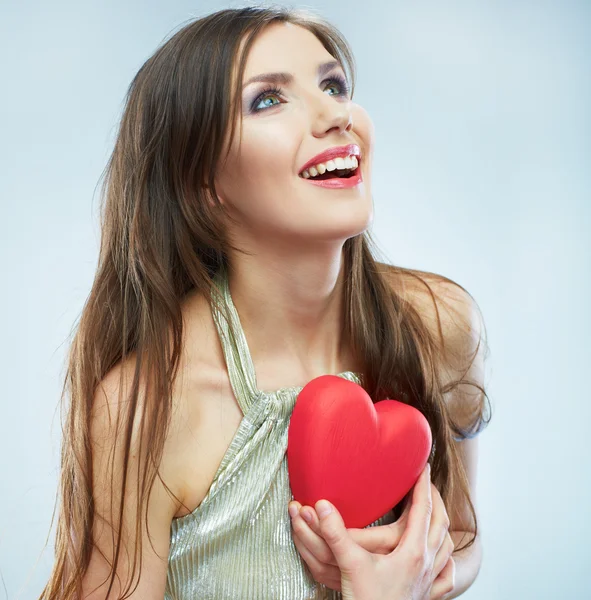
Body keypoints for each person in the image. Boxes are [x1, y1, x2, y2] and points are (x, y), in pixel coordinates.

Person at [40, 6, 490, 600]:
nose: (336, 114)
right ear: (205, 180)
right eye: (268, 100)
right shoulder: (148, 403)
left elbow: (462, 535)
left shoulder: (439, 327)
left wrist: (426, 570)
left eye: (333, 85)